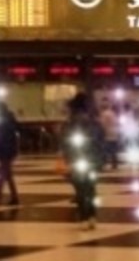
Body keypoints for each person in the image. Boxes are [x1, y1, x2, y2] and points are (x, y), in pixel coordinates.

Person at [62, 92, 104, 230]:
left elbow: (64, 141)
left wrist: (67, 156)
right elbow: (100, 140)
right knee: (90, 188)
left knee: (81, 188)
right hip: (91, 159)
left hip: (78, 159)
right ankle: (92, 215)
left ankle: (85, 216)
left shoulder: (71, 122)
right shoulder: (93, 122)